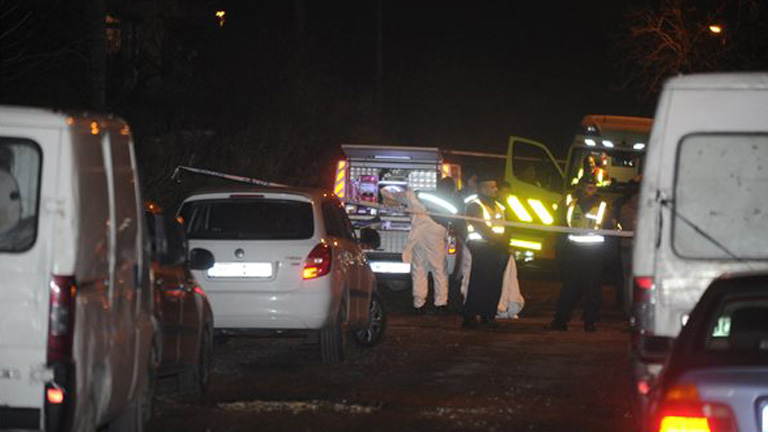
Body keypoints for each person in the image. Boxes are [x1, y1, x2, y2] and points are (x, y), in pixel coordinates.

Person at [381, 178, 457, 314]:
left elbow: (393, 195)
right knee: (439, 269)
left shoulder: (417, 194)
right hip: (435, 234)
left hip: (418, 235)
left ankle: (419, 304)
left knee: (419, 268)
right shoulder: (449, 201)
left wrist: (385, 193)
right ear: (451, 189)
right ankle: (440, 304)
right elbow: (454, 217)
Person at [546, 178, 611, 333]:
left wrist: (608, 255)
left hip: (594, 253)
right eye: (587, 186)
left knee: (592, 289)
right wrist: (560, 250)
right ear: (580, 187)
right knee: (569, 288)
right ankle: (560, 321)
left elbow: (610, 231)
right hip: (573, 253)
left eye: (592, 186)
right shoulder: (570, 204)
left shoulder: (603, 206)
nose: (590, 189)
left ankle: (590, 322)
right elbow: (560, 225)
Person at [462, 176, 509, 329]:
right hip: (482, 247)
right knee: (479, 283)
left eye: (496, 187)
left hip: (497, 249)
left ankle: (488, 315)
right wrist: (496, 240)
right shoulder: (474, 205)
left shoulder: (500, 207)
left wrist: (504, 244)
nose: (496, 190)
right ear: (483, 189)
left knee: (494, 284)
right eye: (492, 187)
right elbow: (480, 227)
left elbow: (507, 227)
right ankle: (470, 317)